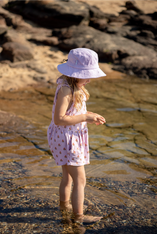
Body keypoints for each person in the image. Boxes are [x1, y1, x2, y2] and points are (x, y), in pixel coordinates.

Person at [47, 48, 106, 224]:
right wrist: (85, 118)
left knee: (68, 177)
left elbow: (74, 112)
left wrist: (90, 116)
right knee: (80, 179)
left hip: (65, 138)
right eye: (86, 75)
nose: (89, 80)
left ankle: (64, 207)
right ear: (74, 74)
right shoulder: (66, 90)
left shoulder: (73, 85)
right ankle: (78, 217)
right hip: (67, 140)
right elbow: (59, 119)